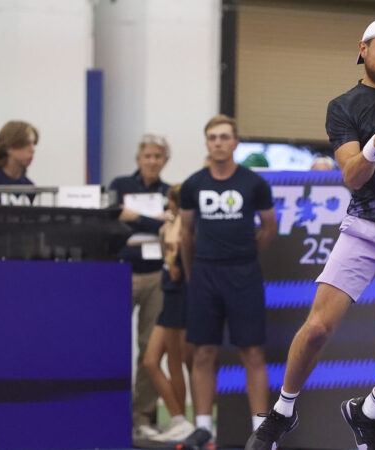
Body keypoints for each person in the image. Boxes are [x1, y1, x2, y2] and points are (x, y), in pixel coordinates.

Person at [245, 17, 375, 450]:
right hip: (367, 228)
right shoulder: (344, 106)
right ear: (363, 49)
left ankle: (369, 410)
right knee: (318, 327)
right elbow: (353, 176)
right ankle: (282, 411)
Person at [178, 114, 278, 449]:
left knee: (252, 351)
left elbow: (269, 227)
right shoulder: (193, 185)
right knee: (203, 352)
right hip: (205, 275)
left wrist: (247, 255)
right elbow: (185, 234)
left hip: (244, 274)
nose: (218, 143)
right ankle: (204, 428)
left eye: (224, 137)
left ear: (235, 142)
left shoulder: (254, 184)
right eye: (212, 138)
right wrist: (193, 274)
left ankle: (261, 432)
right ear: (207, 144)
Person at [109, 134, 172, 440]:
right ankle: (108, 411)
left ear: (165, 160)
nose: (152, 161)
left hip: (156, 276)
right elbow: (115, 219)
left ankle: (142, 417)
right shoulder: (120, 185)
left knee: (150, 349)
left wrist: (141, 219)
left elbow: (169, 226)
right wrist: (154, 221)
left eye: (158, 156)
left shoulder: (170, 192)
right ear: (138, 159)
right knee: (111, 343)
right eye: (147, 156)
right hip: (121, 272)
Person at [143, 184, 196, 443]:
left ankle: (185, 422)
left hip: (178, 293)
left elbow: (176, 264)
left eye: (170, 202)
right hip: (169, 294)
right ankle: (179, 419)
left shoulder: (182, 227)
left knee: (177, 361)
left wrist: (171, 249)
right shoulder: (168, 226)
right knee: (151, 361)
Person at [0, 120, 39, 205]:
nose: (32, 150)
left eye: (34, 143)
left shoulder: (29, 186)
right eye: (27, 143)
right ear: (9, 147)